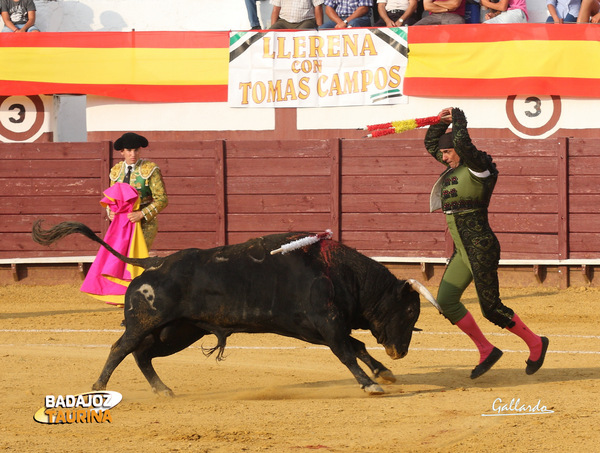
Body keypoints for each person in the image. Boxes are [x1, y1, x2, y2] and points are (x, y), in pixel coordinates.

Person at [423, 107, 549, 379]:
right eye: (443, 154)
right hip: (463, 251)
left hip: (480, 247)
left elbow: (465, 145)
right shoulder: (455, 166)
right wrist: (439, 122)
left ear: (459, 149)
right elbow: (431, 143)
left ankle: (536, 342)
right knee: (446, 301)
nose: (443, 157)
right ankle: (486, 349)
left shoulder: (478, 168)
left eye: (448, 152)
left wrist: (458, 118)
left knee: (491, 308)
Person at [108, 132, 168, 250]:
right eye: (129, 150)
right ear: (122, 152)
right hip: (122, 224)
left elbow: (162, 199)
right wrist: (110, 212)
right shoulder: (116, 171)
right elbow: (111, 200)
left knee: (137, 258)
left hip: (145, 224)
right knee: (121, 258)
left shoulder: (150, 169)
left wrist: (141, 214)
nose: (133, 154)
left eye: (136, 150)